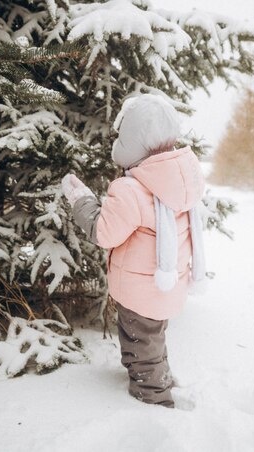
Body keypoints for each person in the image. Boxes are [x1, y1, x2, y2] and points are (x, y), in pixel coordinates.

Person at [61, 94, 206, 408]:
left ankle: (153, 398)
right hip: (165, 288)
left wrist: (81, 200)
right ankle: (158, 374)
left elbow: (104, 232)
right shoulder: (180, 181)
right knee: (152, 339)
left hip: (140, 293)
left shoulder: (133, 189)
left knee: (141, 345)